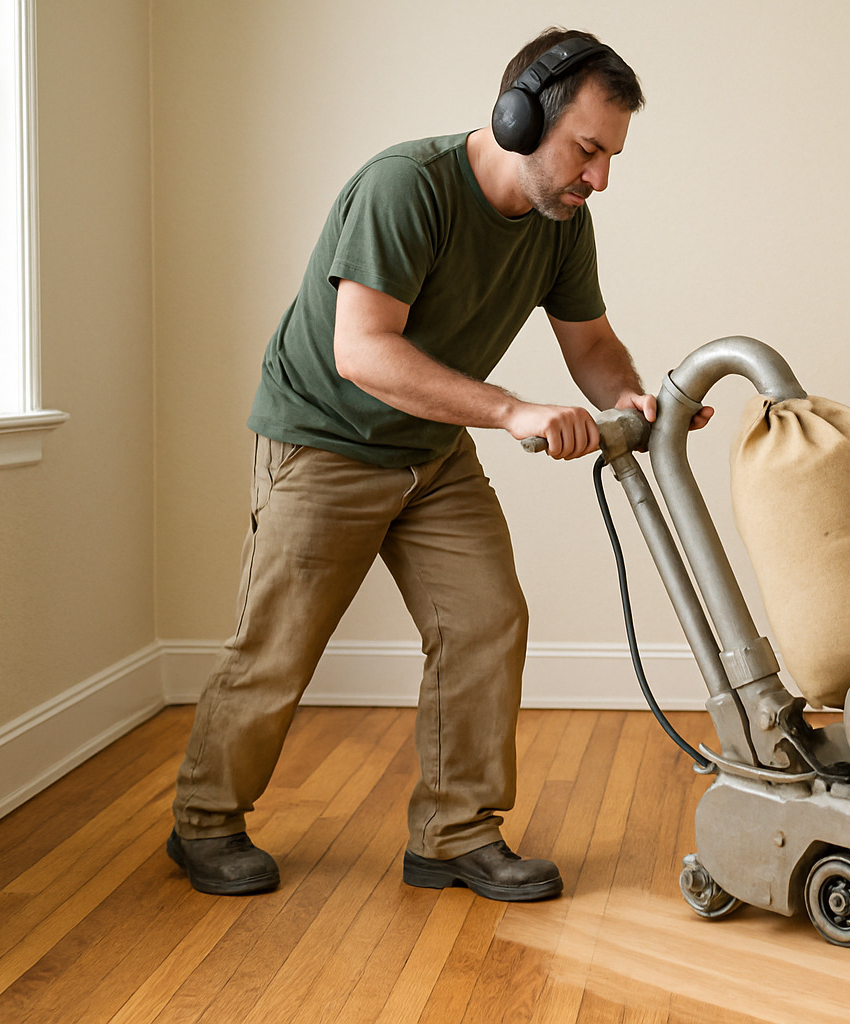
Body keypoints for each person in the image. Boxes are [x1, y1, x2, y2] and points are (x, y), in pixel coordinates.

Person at [167, 27, 709, 901]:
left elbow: (594, 344)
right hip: (325, 439)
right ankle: (204, 823)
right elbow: (364, 352)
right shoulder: (404, 188)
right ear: (521, 115)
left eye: (611, 156)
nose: (599, 176)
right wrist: (511, 410)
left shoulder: (560, 221)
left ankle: (454, 835)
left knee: (486, 620)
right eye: (588, 149)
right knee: (278, 645)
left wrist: (629, 402)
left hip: (430, 449)